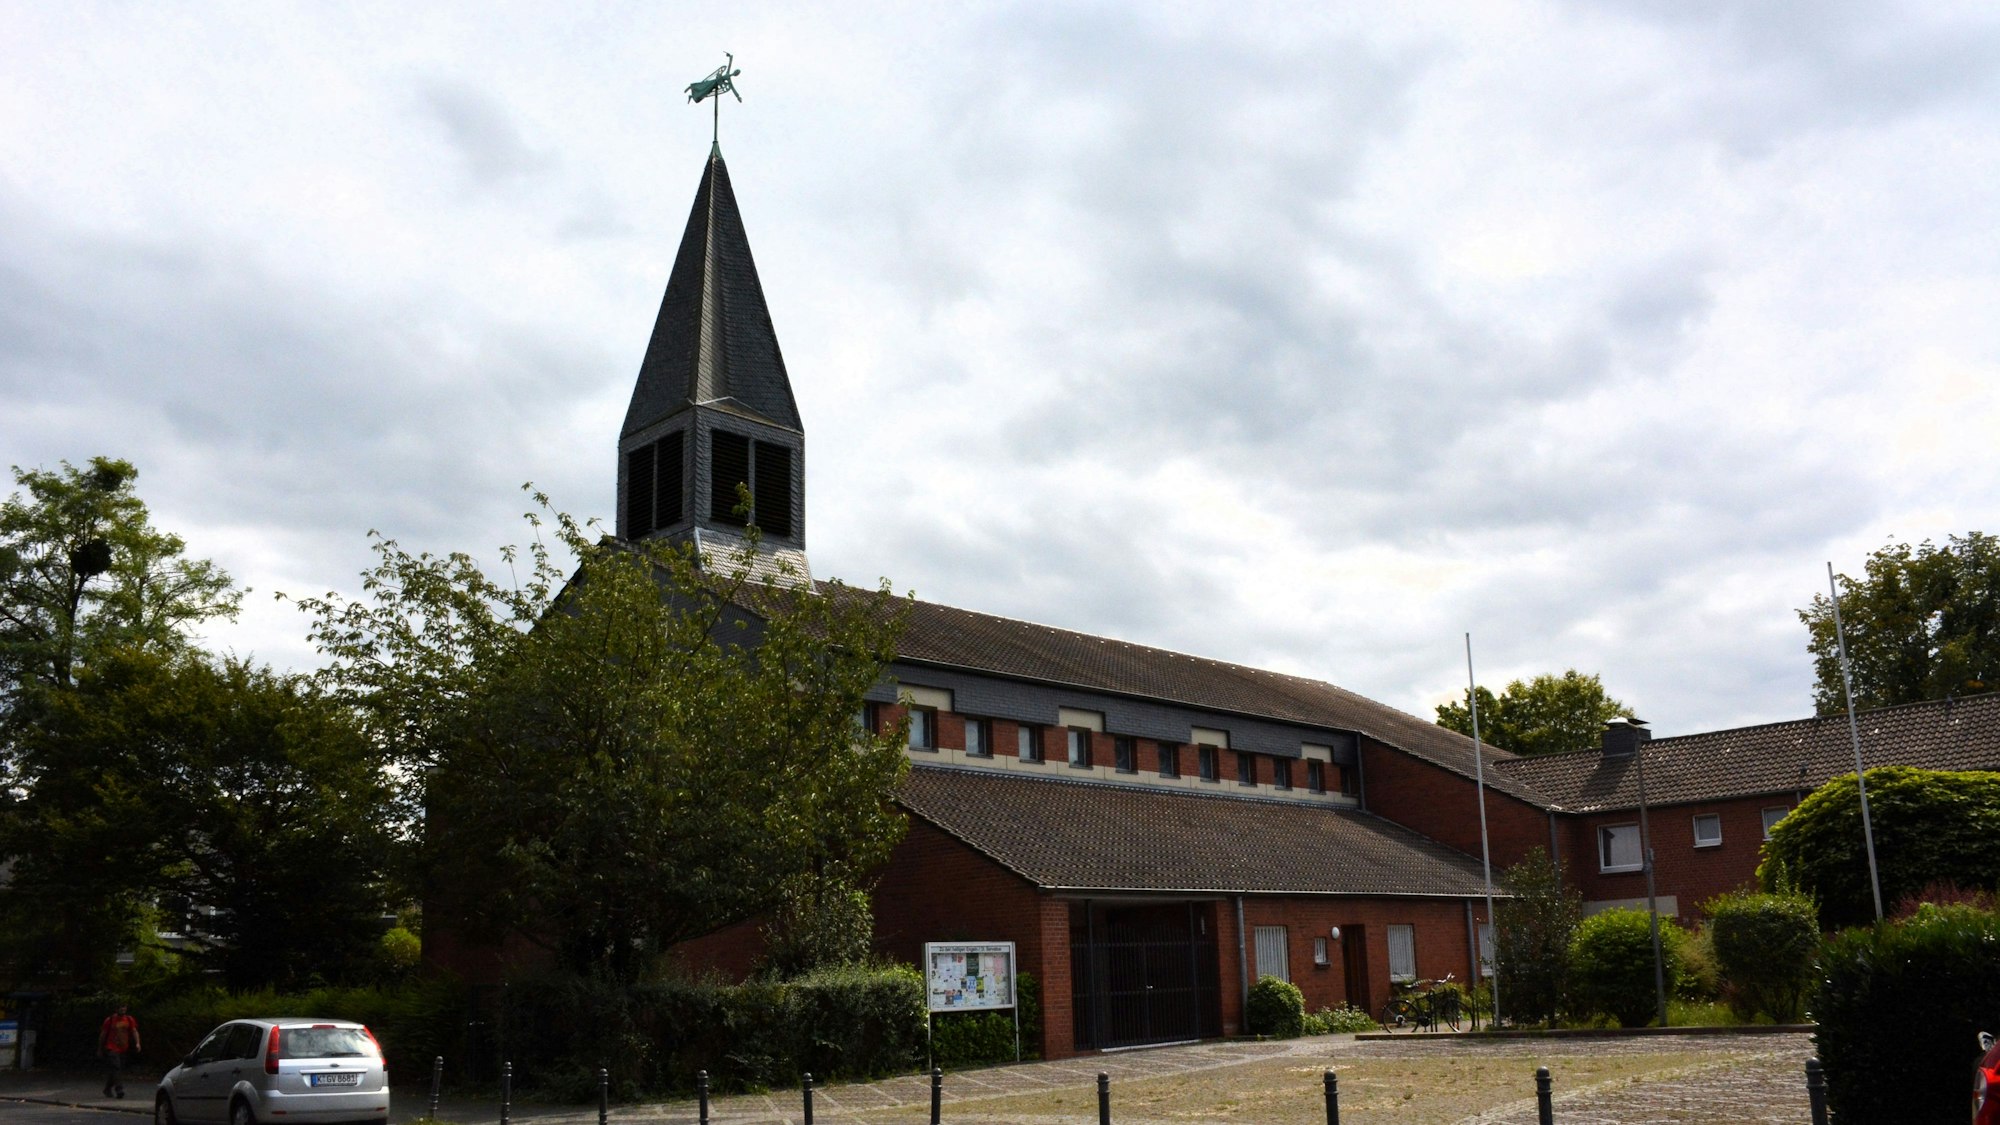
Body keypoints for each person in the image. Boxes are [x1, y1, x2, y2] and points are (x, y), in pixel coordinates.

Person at [99, 1003, 140, 1099]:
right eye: (120, 1007)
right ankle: (119, 1089)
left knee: (117, 1070)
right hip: (111, 1047)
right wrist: (100, 1048)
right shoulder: (110, 1020)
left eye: (124, 1007)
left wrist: (138, 1043)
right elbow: (103, 1034)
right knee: (116, 1067)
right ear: (116, 1009)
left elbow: (134, 1031)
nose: (122, 1009)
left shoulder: (129, 1019)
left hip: (123, 1048)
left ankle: (107, 1088)